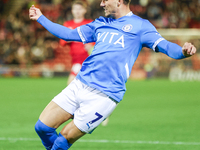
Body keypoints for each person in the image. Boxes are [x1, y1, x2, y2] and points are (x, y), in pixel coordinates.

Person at [29, 0, 197, 149]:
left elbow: (166, 46)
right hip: (79, 84)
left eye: (104, 0)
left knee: (63, 140)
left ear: (119, 1)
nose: (101, 4)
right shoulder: (100, 23)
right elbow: (68, 34)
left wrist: (182, 51)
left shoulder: (141, 26)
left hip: (104, 96)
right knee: (42, 128)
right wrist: (41, 17)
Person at [59, 0, 94, 85]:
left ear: (85, 10)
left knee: (70, 85)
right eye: (75, 9)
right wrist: (69, 37)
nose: (77, 11)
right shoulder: (67, 24)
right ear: (72, 10)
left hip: (87, 59)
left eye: (80, 9)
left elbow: (98, 38)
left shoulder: (89, 23)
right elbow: (62, 42)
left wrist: (92, 45)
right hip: (75, 59)